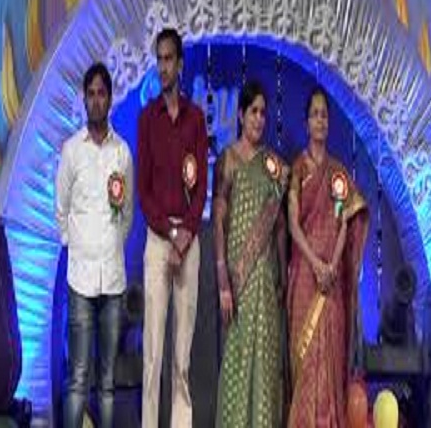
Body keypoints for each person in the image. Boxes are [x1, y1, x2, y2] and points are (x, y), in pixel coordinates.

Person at [55, 62, 134, 428]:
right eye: (91, 94)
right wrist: (77, 245)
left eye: (102, 93)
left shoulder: (122, 153)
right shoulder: (72, 150)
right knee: (77, 378)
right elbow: (61, 208)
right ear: (84, 99)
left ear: (110, 99)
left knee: (107, 382)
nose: (97, 100)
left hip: (113, 280)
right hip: (81, 280)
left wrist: (111, 245)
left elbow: (127, 213)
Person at [137, 28, 208, 428]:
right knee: (153, 353)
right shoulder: (148, 119)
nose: (163, 67)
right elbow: (143, 191)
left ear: (180, 64)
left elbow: (202, 189)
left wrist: (186, 236)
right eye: (159, 60)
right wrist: (169, 233)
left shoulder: (196, 119)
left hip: (189, 243)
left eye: (169, 59)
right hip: (158, 240)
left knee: (182, 355)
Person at [286, 88, 369, 427]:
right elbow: (293, 224)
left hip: (330, 278)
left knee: (330, 353)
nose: (320, 120)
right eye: (314, 115)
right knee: (305, 357)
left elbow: (346, 221)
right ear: (306, 122)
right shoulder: (298, 168)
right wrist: (316, 264)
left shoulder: (337, 174)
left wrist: (333, 265)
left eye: (324, 115)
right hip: (306, 274)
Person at [213, 80, 289, 428]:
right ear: (241, 115)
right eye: (253, 111)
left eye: (263, 112)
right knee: (238, 359)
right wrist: (223, 282)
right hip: (237, 279)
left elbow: (279, 226)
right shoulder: (227, 160)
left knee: (264, 363)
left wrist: (282, 275)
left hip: (266, 280)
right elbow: (218, 222)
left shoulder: (273, 165)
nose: (259, 118)